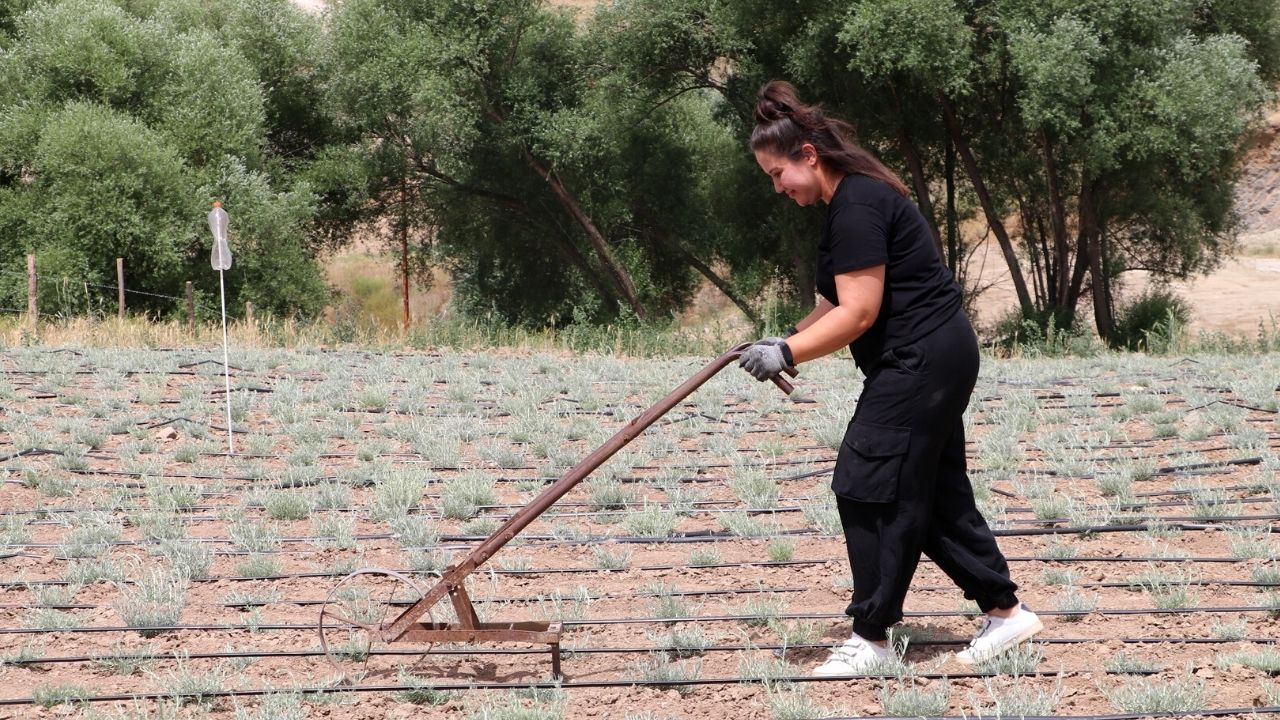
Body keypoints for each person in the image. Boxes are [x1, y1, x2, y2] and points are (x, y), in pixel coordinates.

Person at [738, 80, 1042, 676]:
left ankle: (872, 636)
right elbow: (834, 305)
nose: (777, 188)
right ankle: (1007, 614)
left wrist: (788, 354)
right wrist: (781, 344)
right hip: (935, 356)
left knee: (867, 481)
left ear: (807, 154)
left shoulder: (855, 206)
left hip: (920, 360)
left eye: (778, 174)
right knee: (930, 492)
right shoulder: (850, 205)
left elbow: (859, 314)